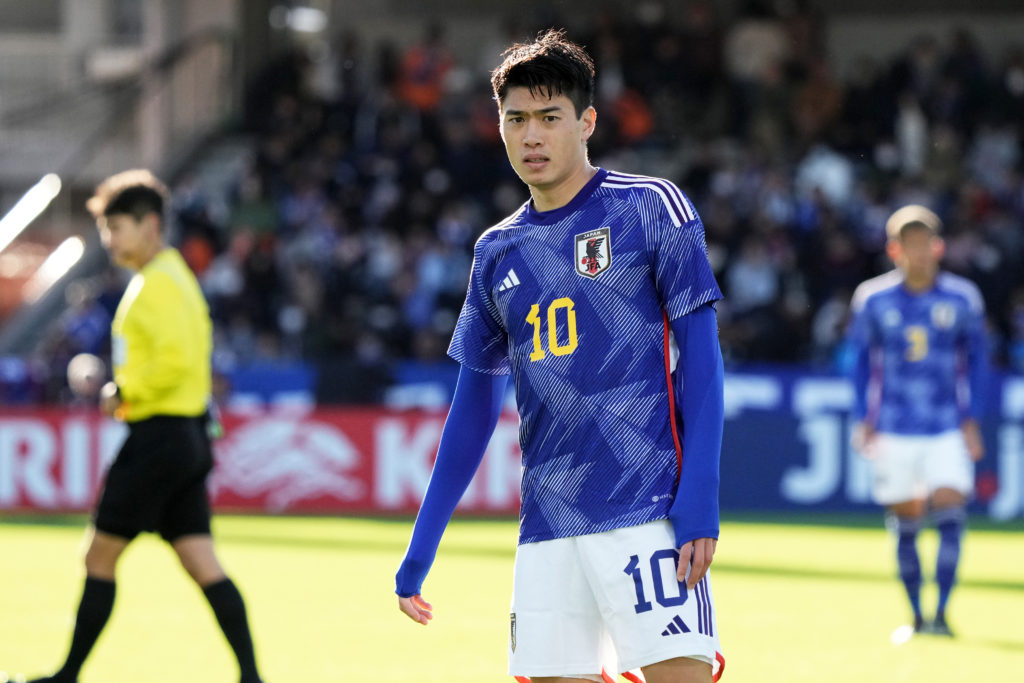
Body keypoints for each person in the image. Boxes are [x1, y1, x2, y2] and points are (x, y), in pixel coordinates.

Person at [395, 30, 725, 683]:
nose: (531, 135)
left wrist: (701, 495)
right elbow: (473, 409)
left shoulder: (650, 207)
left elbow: (703, 360)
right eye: (515, 119)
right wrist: (422, 541)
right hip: (547, 525)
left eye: (549, 118)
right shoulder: (496, 251)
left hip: (646, 506)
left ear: (587, 121)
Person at [29, 170, 263, 683]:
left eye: (117, 228)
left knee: (98, 554)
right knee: (203, 563)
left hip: (159, 435)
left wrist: (120, 393)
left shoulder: (158, 285)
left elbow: (176, 363)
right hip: (188, 437)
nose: (109, 240)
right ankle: (252, 678)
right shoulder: (170, 279)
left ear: (150, 225)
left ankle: (67, 676)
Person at [847, 204, 988, 637]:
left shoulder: (963, 298)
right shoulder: (872, 298)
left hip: (946, 425)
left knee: (951, 513)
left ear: (939, 247)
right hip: (892, 427)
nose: (918, 253)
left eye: (925, 244)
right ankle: (916, 616)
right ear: (894, 250)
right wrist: (861, 418)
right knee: (905, 522)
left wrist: (973, 418)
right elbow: (859, 364)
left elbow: (980, 361)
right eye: (908, 245)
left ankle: (942, 615)